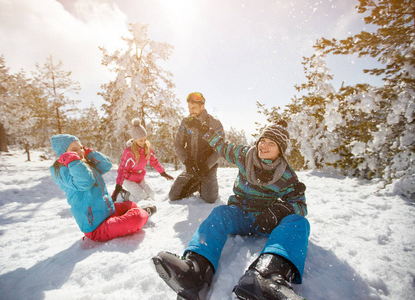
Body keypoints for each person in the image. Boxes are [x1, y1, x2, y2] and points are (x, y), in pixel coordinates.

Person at [152, 121, 309, 300]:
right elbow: (222, 146)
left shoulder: (286, 175)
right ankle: (196, 271)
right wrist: (206, 131)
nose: (264, 146)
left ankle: (269, 276)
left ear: (280, 150)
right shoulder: (244, 156)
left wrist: (280, 210)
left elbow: (300, 205)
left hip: (265, 221)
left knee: (299, 223)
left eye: (271, 143)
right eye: (262, 140)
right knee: (220, 213)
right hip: (239, 214)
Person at [50, 134, 156, 242]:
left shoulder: (84, 164)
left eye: (81, 147)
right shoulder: (63, 171)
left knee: (131, 205)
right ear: (64, 155)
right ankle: (141, 214)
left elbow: (106, 165)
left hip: (107, 211)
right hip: (96, 227)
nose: (80, 151)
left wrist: (89, 153)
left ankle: (131, 215)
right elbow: (85, 182)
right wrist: (73, 161)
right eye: (74, 150)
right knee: (137, 218)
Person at [168, 92, 224, 203]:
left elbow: (219, 149)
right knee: (173, 195)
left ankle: (204, 183)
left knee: (210, 198)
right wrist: (187, 161)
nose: (190, 111)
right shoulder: (185, 122)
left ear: (202, 106)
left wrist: (206, 166)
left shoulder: (215, 123)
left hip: (207, 167)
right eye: (189, 108)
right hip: (191, 165)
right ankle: (195, 182)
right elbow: (178, 144)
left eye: (193, 108)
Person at [112, 118, 174, 203]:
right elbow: (122, 169)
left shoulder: (147, 148)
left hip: (139, 177)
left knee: (151, 194)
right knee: (142, 196)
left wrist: (162, 172)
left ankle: (137, 194)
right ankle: (125, 195)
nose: (143, 142)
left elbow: (154, 161)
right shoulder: (128, 152)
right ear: (134, 140)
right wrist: (118, 186)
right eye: (140, 140)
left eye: (145, 139)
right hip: (128, 179)